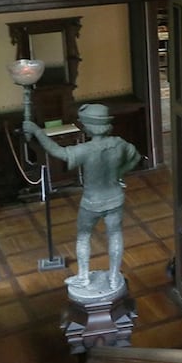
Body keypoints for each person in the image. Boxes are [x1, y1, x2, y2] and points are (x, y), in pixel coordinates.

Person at [21, 103, 143, 293]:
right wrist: (120, 172)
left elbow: (57, 152)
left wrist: (37, 131)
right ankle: (113, 276)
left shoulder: (85, 150)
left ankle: (84, 276)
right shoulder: (119, 144)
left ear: (87, 126)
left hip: (91, 203)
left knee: (84, 237)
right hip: (115, 198)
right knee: (115, 235)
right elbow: (135, 158)